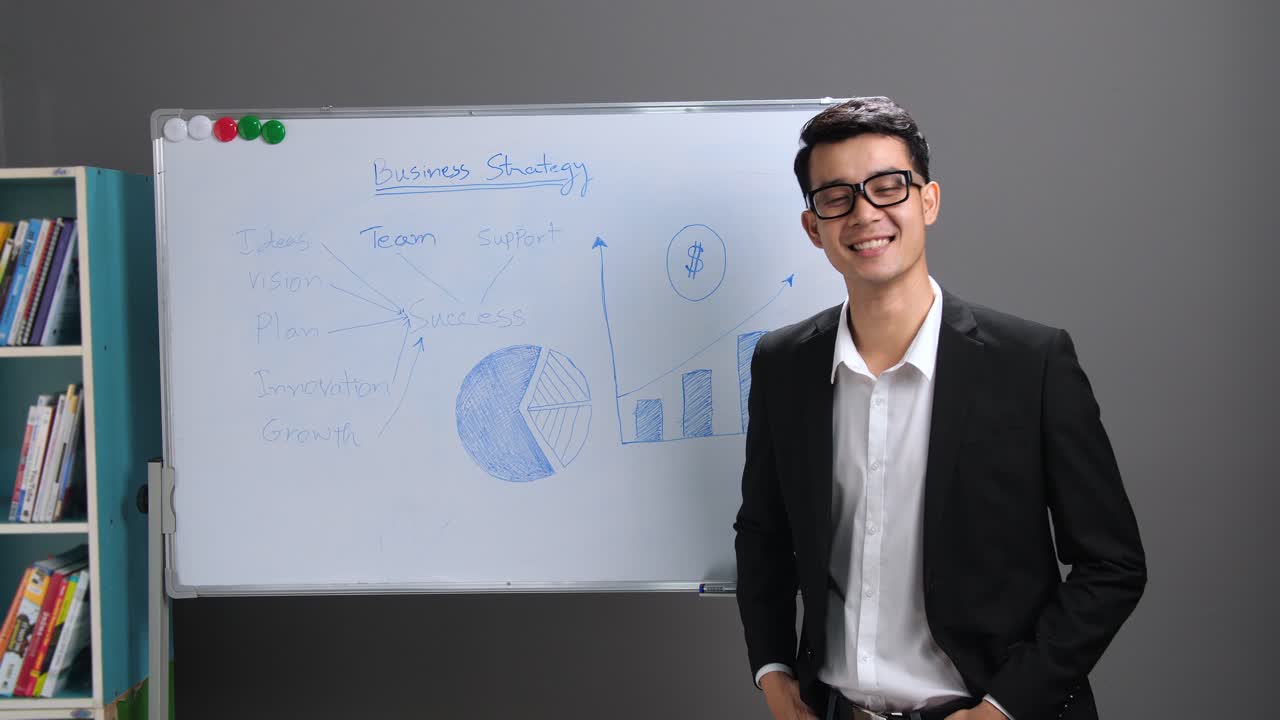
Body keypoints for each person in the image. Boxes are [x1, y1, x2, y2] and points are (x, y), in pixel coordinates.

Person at [733, 96, 1146, 720]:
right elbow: (763, 534)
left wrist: (1003, 708)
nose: (864, 213)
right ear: (813, 227)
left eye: (887, 187)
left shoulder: (1030, 363)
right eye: (837, 197)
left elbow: (1112, 565)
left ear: (928, 201)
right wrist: (772, 673)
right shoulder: (783, 364)